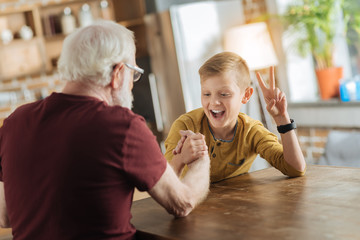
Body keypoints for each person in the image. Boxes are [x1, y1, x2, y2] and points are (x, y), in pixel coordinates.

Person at [0, 20, 210, 240]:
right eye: (133, 74)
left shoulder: (14, 122)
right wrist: (201, 159)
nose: (131, 85)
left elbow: (5, 216)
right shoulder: (123, 126)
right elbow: (182, 203)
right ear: (118, 73)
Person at [165, 52, 306, 183]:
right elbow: (165, 182)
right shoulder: (185, 126)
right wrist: (181, 158)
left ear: (246, 95)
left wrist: (282, 118)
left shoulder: (251, 131)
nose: (214, 102)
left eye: (224, 94)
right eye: (207, 94)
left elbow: (295, 168)